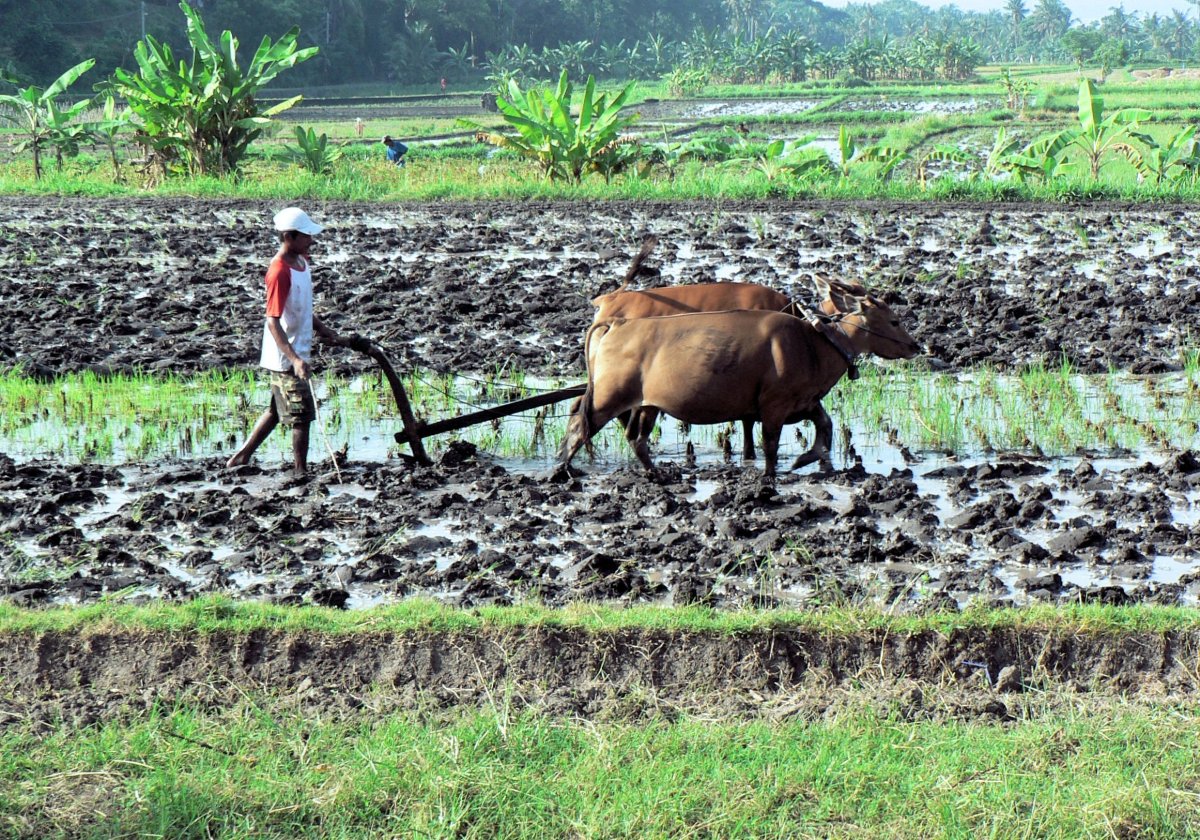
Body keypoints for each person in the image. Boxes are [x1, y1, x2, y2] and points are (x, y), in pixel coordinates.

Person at [226, 207, 350, 477]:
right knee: (302, 415)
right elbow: (273, 321)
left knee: (275, 409)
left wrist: (325, 331)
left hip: (299, 347)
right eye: (306, 236)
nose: (311, 241)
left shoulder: (302, 263)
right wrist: (294, 359)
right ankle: (300, 470)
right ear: (289, 237)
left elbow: (303, 307)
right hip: (284, 356)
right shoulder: (279, 271)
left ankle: (240, 457)